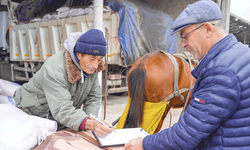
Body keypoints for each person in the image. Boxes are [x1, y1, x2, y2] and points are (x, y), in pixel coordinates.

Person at [124, 0, 250, 149]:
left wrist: (144, 143)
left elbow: (186, 135)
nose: (183, 44)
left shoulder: (221, 72)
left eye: (185, 36)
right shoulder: (241, 54)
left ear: (207, 29)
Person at [13, 29, 113, 137]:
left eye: (99, 60)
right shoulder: (55, 69)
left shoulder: (91, 68)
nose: (95, 65)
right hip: (32, 113)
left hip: (57, 116)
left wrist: (93, 120)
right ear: (79, 54)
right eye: (92, 59)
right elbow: (62, 109)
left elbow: (93, 97)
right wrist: (91, 125)